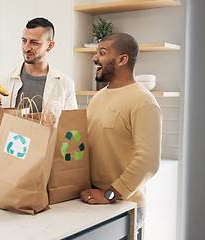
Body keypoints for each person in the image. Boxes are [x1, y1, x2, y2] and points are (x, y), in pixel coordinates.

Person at [80, 33, 162, 239]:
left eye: (102, 53)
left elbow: (149, 161)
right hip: (93, 201)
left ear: (122, 60)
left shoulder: (144, 102)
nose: (94, 58)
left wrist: (110, 194)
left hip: (124, 206)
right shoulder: (96, 99)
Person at [0, 17, 78, 110]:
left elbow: (70, 122)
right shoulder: (3, 78)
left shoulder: (65, 83)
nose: (26, 48)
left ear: (50, 46)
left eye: (34, 43)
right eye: (24, 41)